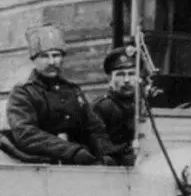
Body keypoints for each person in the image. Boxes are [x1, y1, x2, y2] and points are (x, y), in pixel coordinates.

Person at [6, 24, 115, 165]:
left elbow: (94, 127)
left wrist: (106, 153)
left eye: (56, 55)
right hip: (41, 167)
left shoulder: (73, 91)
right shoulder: (23, 93)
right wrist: (72, 151)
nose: (51, 62)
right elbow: (26, 134)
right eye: (44, 56)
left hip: (80, 164)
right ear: (33, 59)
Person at [92, 46, 139, 166]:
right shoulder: (102, 107)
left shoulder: (142, 106)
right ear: (110, 79)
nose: (127, 80)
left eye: (132, 74)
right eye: (120, 74)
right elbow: (101, 146)